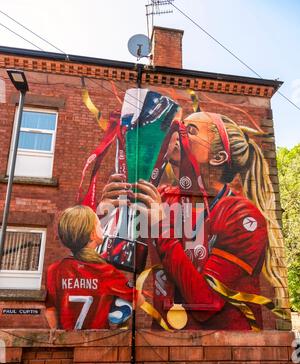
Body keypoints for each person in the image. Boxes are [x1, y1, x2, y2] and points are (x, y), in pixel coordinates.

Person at [99, 112, 287, 331]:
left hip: (224, 351)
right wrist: (109, 215)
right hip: (163, 346)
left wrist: (161, 226)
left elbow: (206, 301)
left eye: (190, 131)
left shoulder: (242, 215)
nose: (175, 134)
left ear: (217, 157)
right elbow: (122, 262)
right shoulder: (161, 198)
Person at [45, 205, 143, 330]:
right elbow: (138, 299)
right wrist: (120, 310)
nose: (102, 227)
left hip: (67, 344)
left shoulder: (54, 270)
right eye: (98, 224)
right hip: (96, 344)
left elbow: (50, 311)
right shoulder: (105, 271)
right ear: (92, 235)